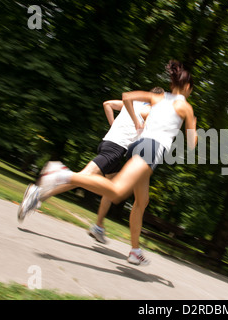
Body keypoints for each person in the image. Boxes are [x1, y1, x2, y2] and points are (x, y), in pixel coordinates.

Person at [34, 60, 197, 265]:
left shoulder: (158, 97)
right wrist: (193, 124)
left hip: (137, 147)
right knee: (117, 191)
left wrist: (138, 120)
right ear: (188, 87)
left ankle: (135, 251)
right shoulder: (185, 106)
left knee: (141, 201)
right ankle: (61, 174)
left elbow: (127, 97)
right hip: (150, 150)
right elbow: (191, 143)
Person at [18, 87, 165, 246]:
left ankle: (98, 226)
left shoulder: (134, 104)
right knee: (82, 178)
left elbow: (107, 104)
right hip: (116, 148)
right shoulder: (149, 110)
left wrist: (113, 125)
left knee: (110, 188)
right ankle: (38, 194)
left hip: (109, 143)